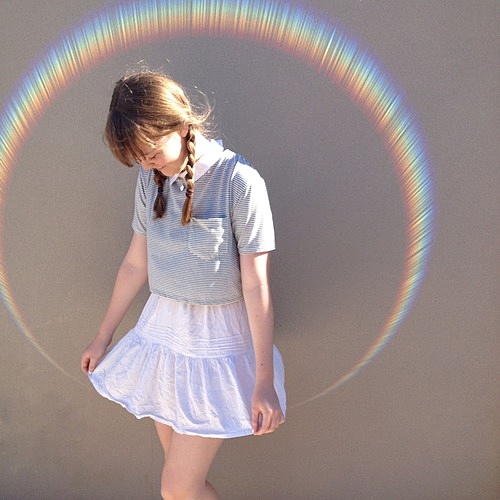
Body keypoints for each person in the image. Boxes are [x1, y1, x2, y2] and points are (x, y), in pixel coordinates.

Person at [81, 70, 286, 499]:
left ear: (177, 124)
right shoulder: (149, 180)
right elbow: (135, 264)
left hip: (217, 346)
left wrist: (263, 380)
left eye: (150, 153)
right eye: (137, 159)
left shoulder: (239, 182)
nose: (145, 165)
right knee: (181, 489)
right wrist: (103, 336)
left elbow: (257, 285)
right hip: (165, 339)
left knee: (176, 487)